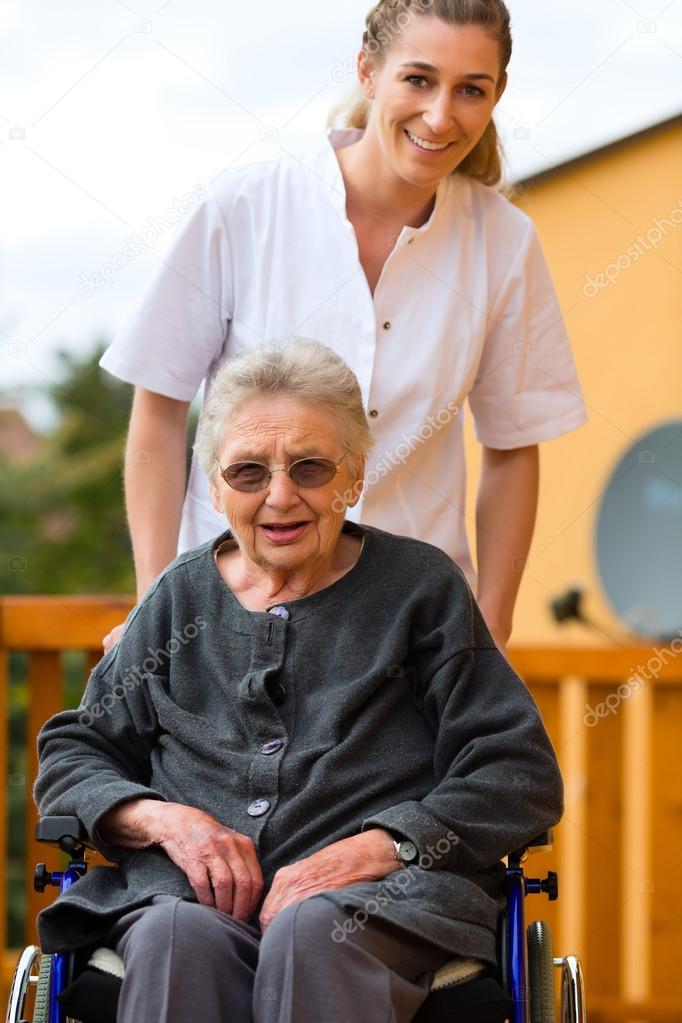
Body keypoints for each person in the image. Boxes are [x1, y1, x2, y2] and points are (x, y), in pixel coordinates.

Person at [35, 340, 562, 1023]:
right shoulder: (177, 599)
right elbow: (77, 751)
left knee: (314, 934)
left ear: (354, 475)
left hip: (379, 905)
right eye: (248, 472)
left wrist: (382, 846)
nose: (280, 496)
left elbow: (515, 770)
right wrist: (165, 820)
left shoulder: (419, 591)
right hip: (184, 899)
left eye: (310, 467)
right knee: (172, 937)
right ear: (217, 486)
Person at [100, 0, 586, 657]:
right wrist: (156, 602)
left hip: (411, 633)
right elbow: (159, 407)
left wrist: (490, 624)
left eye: (471, 89)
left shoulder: (504, 243)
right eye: (418, 79)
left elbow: (511, 446)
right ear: (367, 71)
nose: (441, 115)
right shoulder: (245, 206)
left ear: (497, 93)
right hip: (229, 620)